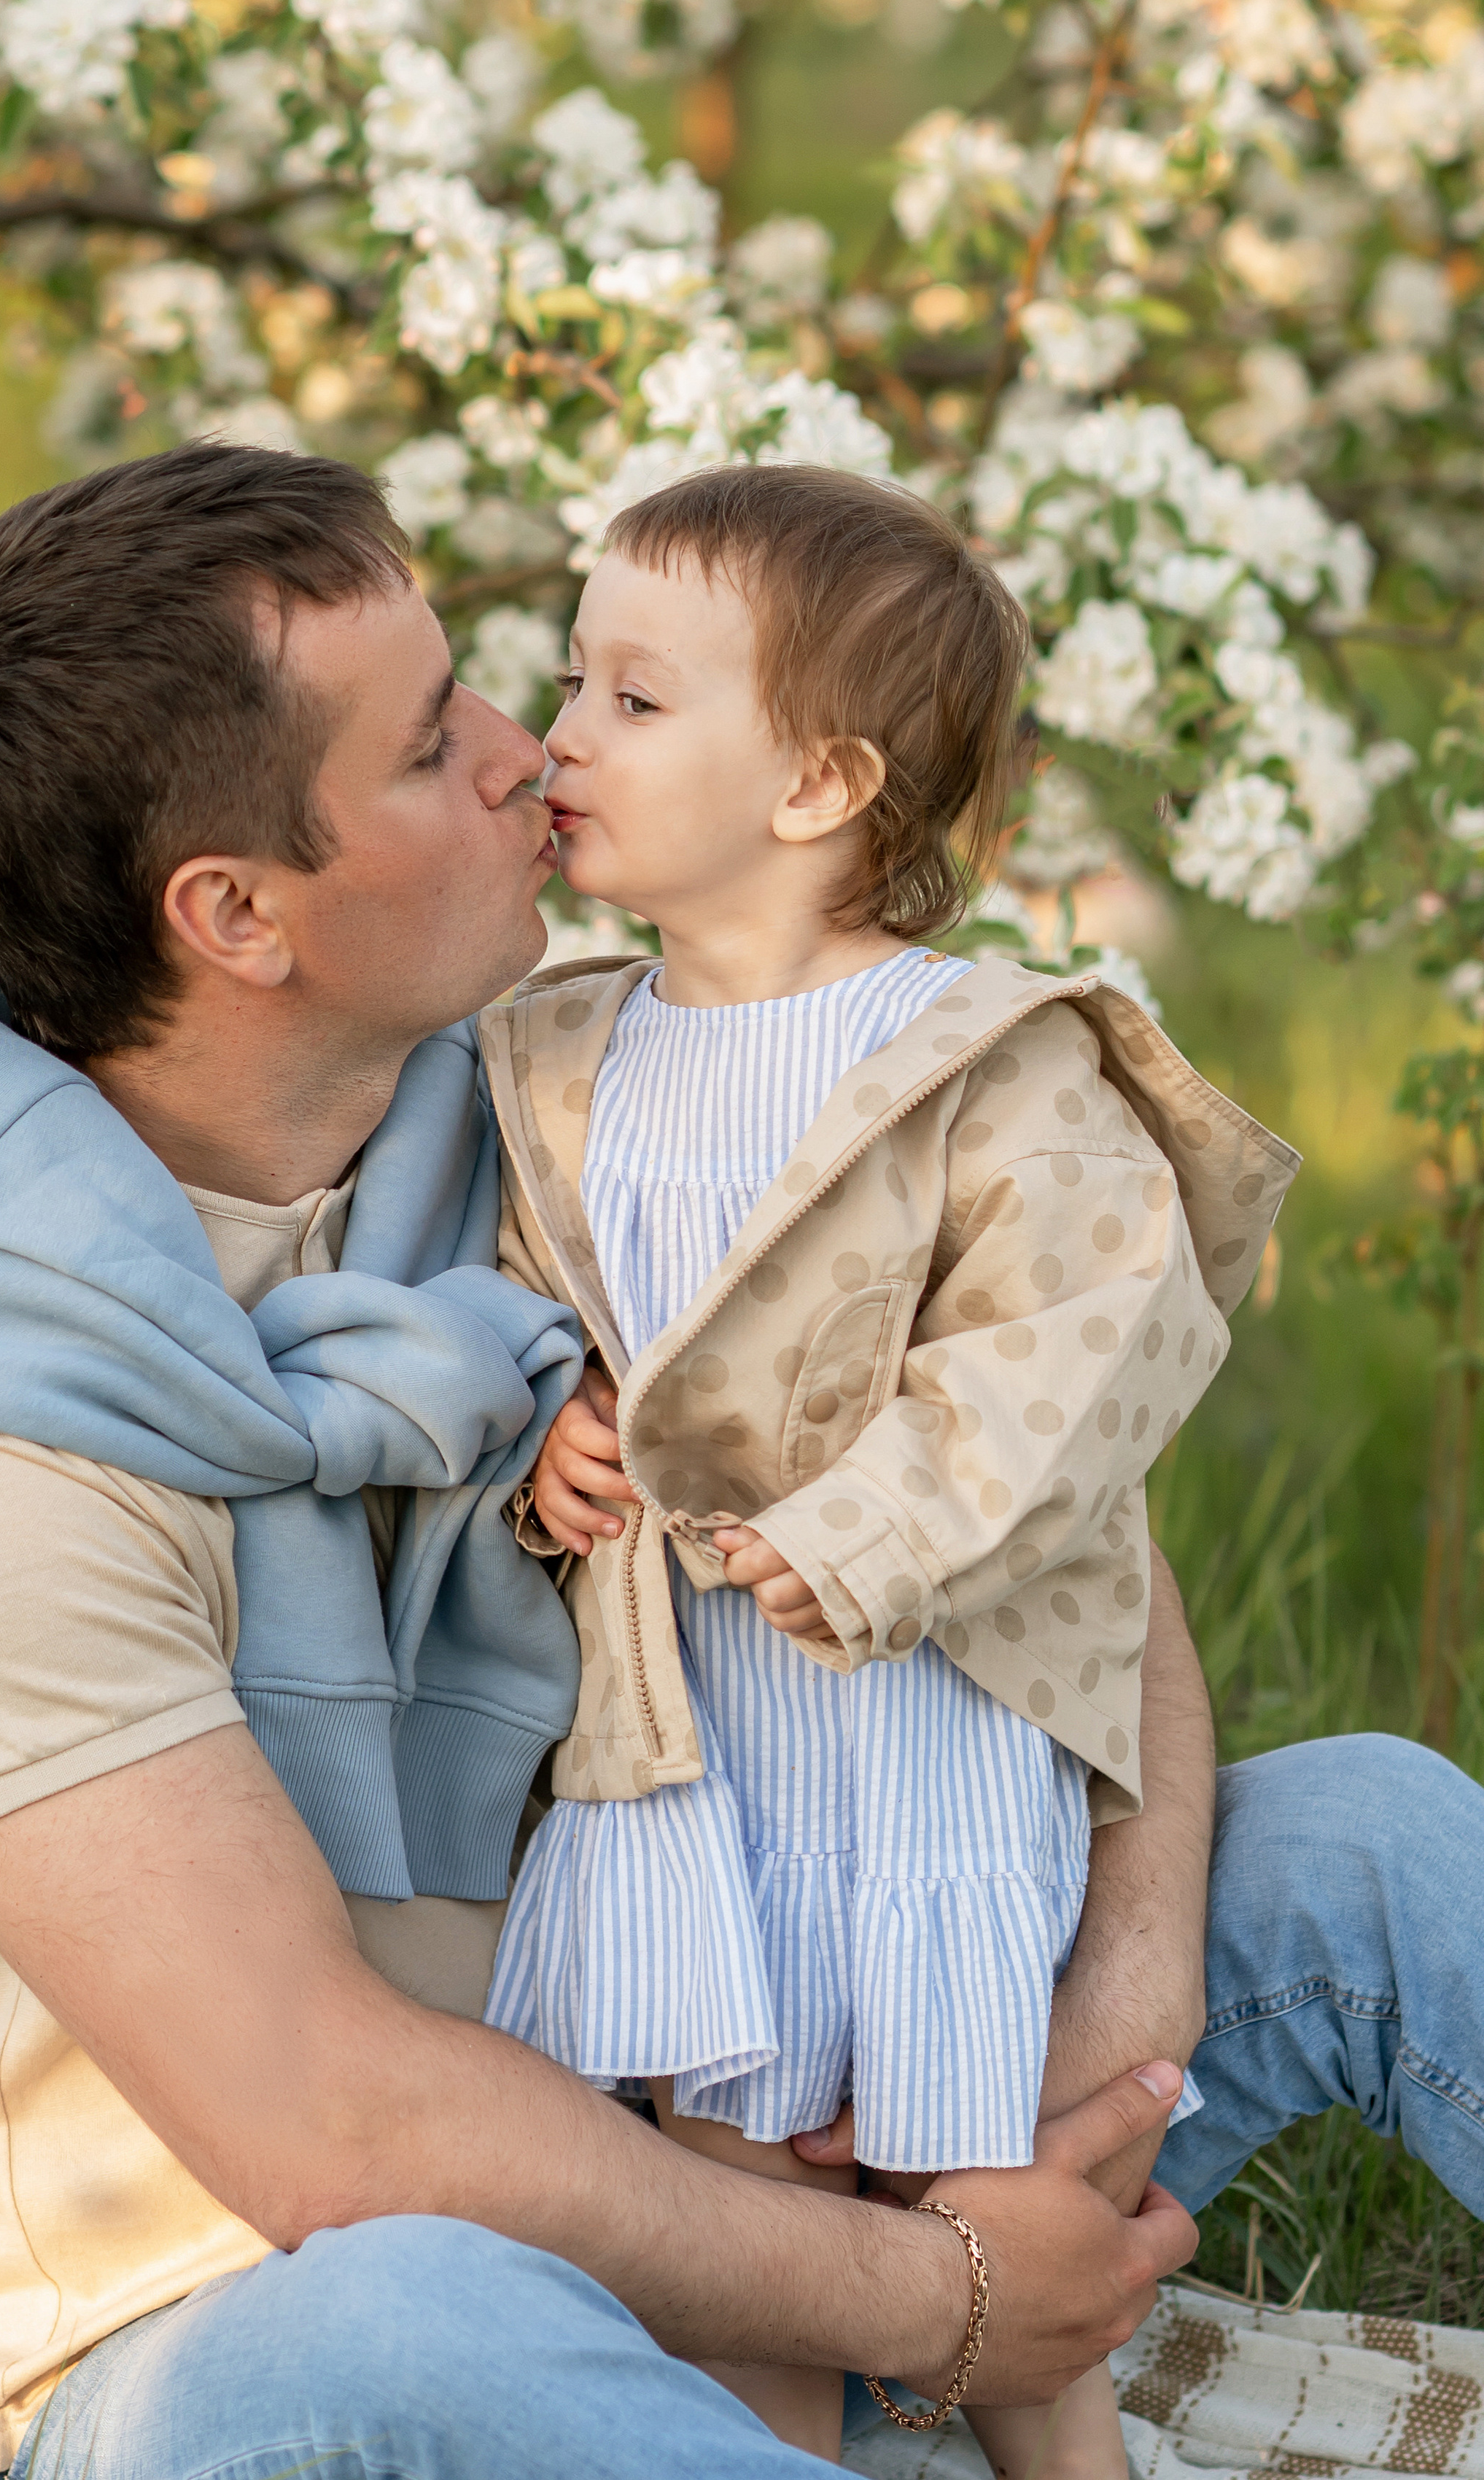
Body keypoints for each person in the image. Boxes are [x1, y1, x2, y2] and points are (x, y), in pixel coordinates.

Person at [0, 442, 1484, 2480]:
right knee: (406, 2320)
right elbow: (333, 2128)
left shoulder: (549, 1078)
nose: (519, 752)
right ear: (238, 915)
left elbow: (1027, 1462)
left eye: (494, 682)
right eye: (421, 743)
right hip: (244, 2334)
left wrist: (1109, 2009)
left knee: (1377, 1843)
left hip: (766, 2101)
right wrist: (965, 2304)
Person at [479, 464, 1292, 2470]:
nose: (559, 736)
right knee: (739, 2213)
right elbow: (529, 1299)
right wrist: (549, 1430)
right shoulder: (562, 1050)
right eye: (571, 679)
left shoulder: (989, 1054)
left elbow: (1080, 1355)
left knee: (989, 2180)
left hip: (917, 1710)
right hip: (686, 1729)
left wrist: (870, 1529)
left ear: (822, 784)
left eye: (636, 700)